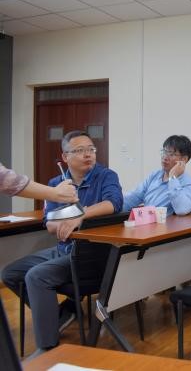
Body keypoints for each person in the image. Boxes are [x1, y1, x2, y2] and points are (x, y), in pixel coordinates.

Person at [1, 130, 123, 354]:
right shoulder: (56, 184)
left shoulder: (106, 176)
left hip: (91, 255)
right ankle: (60, 315)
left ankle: (47, 346)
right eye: (80, 150)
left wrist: (80, 216)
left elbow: (113, 203)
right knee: (10, 273)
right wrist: (64, 222)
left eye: (91, 149)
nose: (88, 154)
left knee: (37, 276)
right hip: (63, 248)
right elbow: (49, 224)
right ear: (65, 157)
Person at [123, 135, 191, 216]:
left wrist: (172, 177)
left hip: (165, 224)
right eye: (164, 152)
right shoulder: (155, 175)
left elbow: (182, 209)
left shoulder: (189, 183)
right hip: (145, 221)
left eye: (171, 154)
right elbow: (135, 197)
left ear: (184, 159)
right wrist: (114, 205)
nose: (165, 157)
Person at [0, 163, 77, 203]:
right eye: (79, 150)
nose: (83, 155)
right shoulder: (54, 182)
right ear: (65, 157)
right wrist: (56, 192)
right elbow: (5, 178)